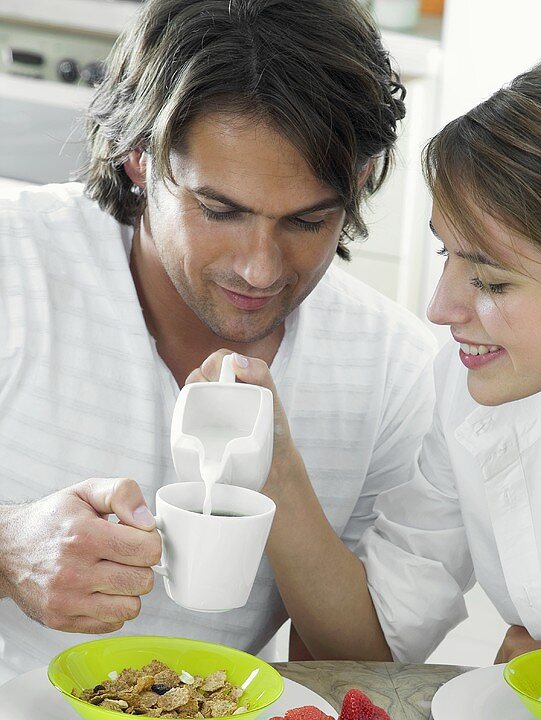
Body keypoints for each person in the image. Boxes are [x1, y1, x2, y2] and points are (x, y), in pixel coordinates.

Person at [243, 51, 541, 668]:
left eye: (493, 282)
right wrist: (275, 468)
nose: (440, 308)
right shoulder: (476, 387)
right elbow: (367, 646)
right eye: (446, 254)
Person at [0, 0, 435, 676]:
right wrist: (8, 549)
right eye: (220, 211)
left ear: (359, 184)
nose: (260, 269)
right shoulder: (14, 259)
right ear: (140, 160)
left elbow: (358, 672)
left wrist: (280, 478)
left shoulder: (395, 371)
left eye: (307, 222)